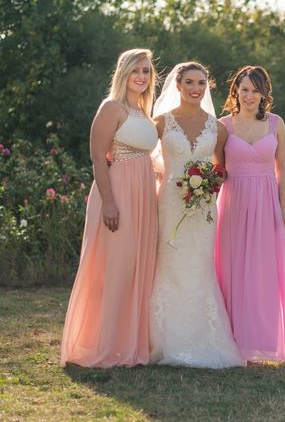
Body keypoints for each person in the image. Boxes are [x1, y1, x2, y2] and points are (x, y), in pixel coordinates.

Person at [61, 48, 159, 367]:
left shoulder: (143, 111)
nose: (142, 77)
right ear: (124, 73)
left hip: (144, 193)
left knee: (136, 266)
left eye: (146, 71)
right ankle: (103, 344)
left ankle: (129, 343)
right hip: (117, 192)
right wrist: (110, 202)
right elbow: (97, 157)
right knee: (114, 265)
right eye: (136, 71)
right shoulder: (112, 107)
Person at [149, 62, 244, 369]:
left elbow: (222, 169)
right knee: (169, 266)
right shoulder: (161, 123)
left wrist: (207, 183)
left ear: (207, 86)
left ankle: (201, 339)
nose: (195, 88)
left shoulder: (217, 129)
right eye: (189, 82)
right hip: (170, 204)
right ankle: (164, 341)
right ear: (177, 85)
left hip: (203, 209)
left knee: (199, 267)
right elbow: (145, 160)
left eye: (201, 82)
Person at [214, 65, 285, 362]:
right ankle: (232, 342)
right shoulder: (223, 125)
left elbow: (282, 167)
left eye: (256, 90)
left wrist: (280, 207)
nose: (250, 95)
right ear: (235, 91)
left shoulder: (275, 123)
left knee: (262, 272)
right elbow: (218, 167)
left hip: (267, 200)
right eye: (244, 89)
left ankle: (261, 340)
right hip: (233, 201)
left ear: (264, 94)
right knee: (231, 268)